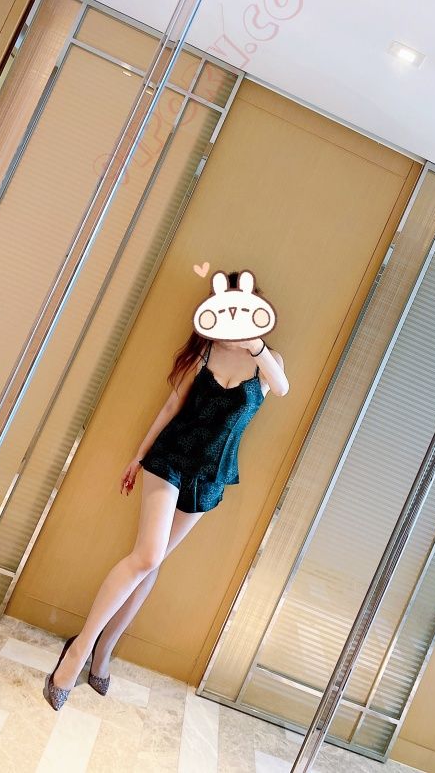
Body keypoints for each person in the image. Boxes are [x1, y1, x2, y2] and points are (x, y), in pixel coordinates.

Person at [43, 270, 289, 710]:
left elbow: (283, 389)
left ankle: (104, 651)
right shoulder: (204, 351)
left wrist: (254, 344)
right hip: (171, 458)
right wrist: (139, 456)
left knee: (153, 563)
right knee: (148, 556)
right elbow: (173, 405)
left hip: (212, 474)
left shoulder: (268, 363)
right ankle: (79, 650)